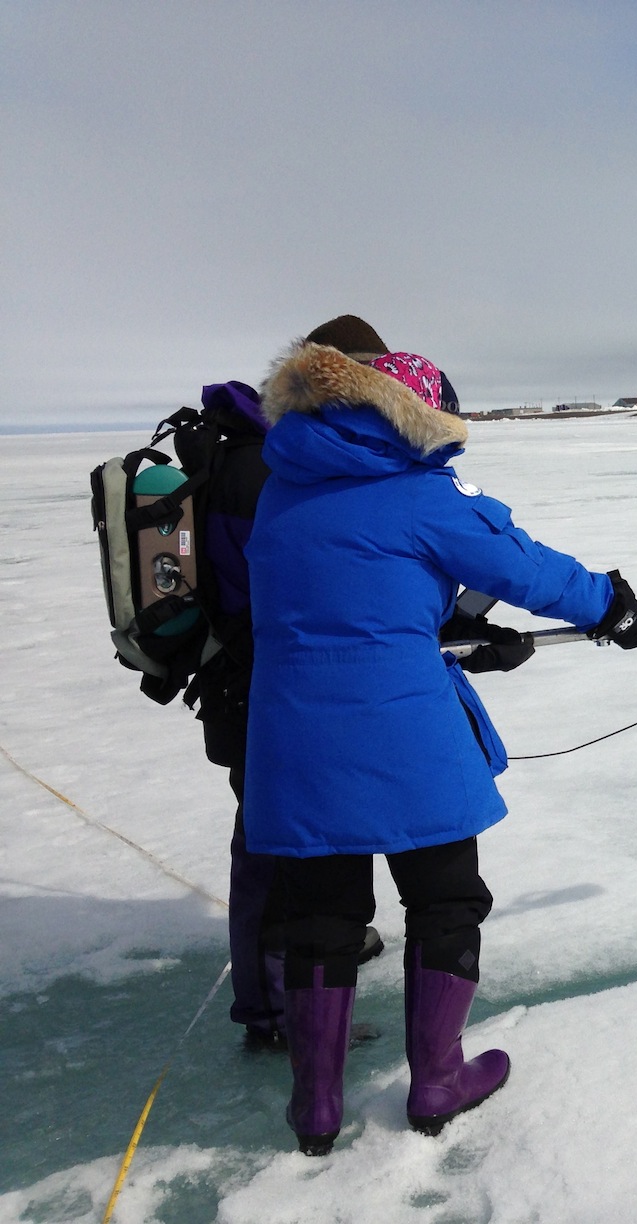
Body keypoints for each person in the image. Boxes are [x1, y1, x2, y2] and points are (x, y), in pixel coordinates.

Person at [245, 337, 637, 1155]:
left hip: (293, 737)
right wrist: (614, 609)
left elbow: (354, 590)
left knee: (321, 918)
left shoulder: (284, 489)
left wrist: (450, 621)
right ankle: (438, 1081)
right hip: (401, 730)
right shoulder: (419, 497)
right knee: (445, 900)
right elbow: (524, 567)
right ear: (414, 420)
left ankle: (315, 1107)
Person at [191, 317, 392, 1051]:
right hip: (261, 689)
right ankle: (277, 1014)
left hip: (255, 684)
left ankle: (298, 974)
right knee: (279, 854)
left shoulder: (265, 456)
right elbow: (278, 590)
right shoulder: (265, 467)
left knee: (282, 846)